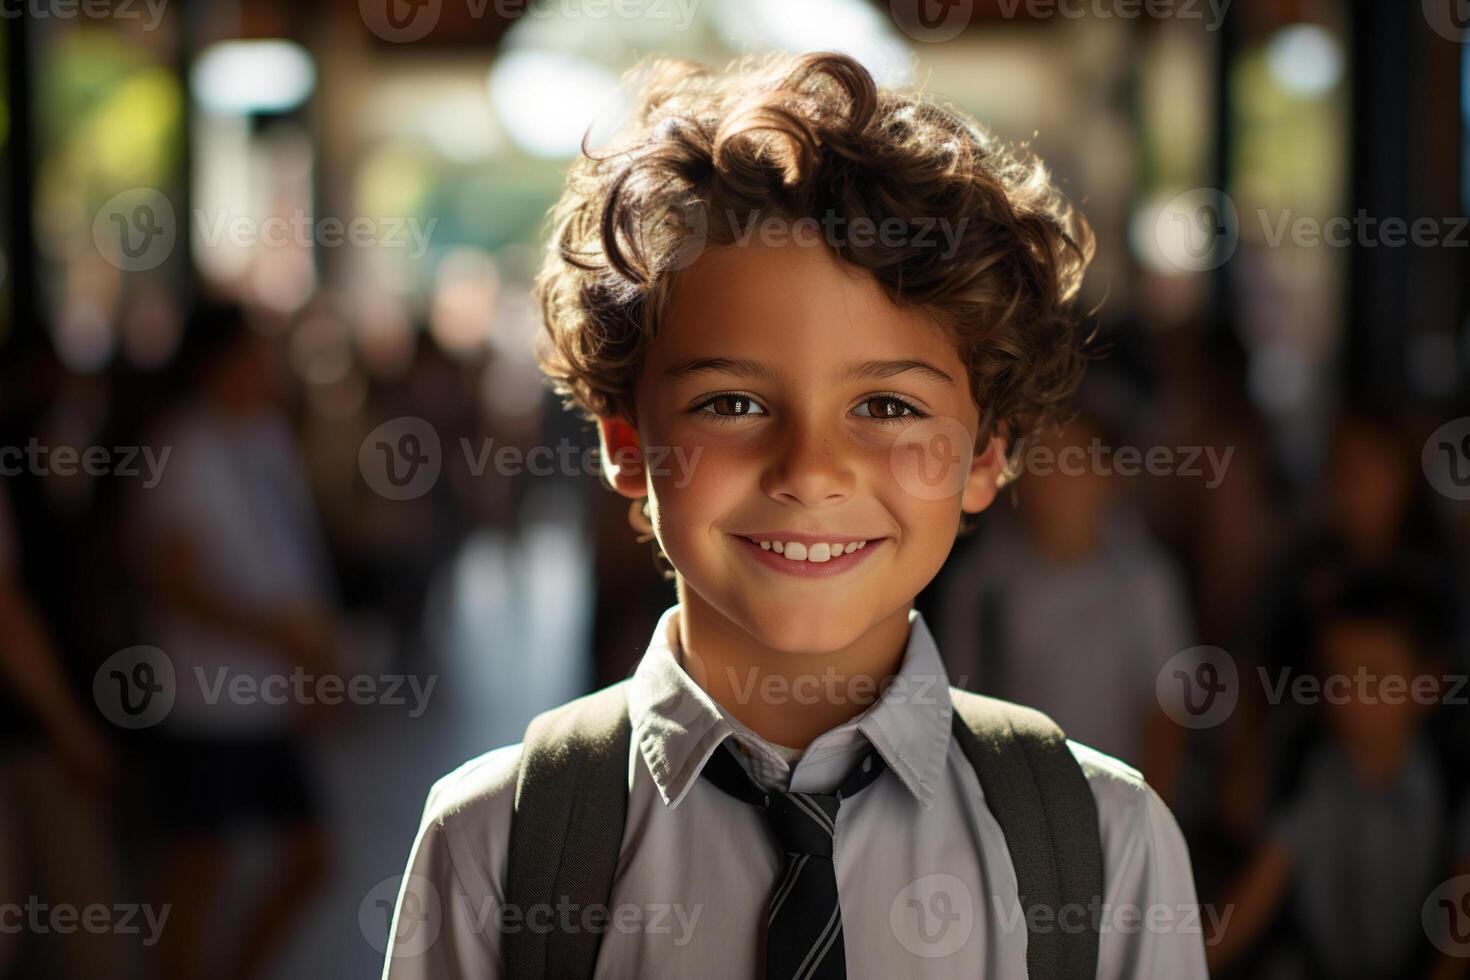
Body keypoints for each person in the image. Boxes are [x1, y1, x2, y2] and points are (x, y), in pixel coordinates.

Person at [383, 52, 1206, 978]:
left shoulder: (1105, 845)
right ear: (625, 445)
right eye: (731, 403)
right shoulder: (496, 846)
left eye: (888, 408)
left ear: (986, 455)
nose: (811, 472)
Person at [131, 302, 336, 980]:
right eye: (255, 353)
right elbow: (175, 581)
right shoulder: (182, 449)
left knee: (311, 859)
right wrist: (278, 635)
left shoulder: (263, 439)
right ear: (218, 363)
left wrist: (308, 651)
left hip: (265, 697)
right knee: (199, 872)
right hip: (206, 700)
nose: (268, 368)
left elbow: (286, 557)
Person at [1208, 572, 1458, 978]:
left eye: (1373, 677)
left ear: (1429, 682)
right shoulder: (1313, 781)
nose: (1350, 698)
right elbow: (1251, 900)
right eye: (1337, 677)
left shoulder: (1454, 785)